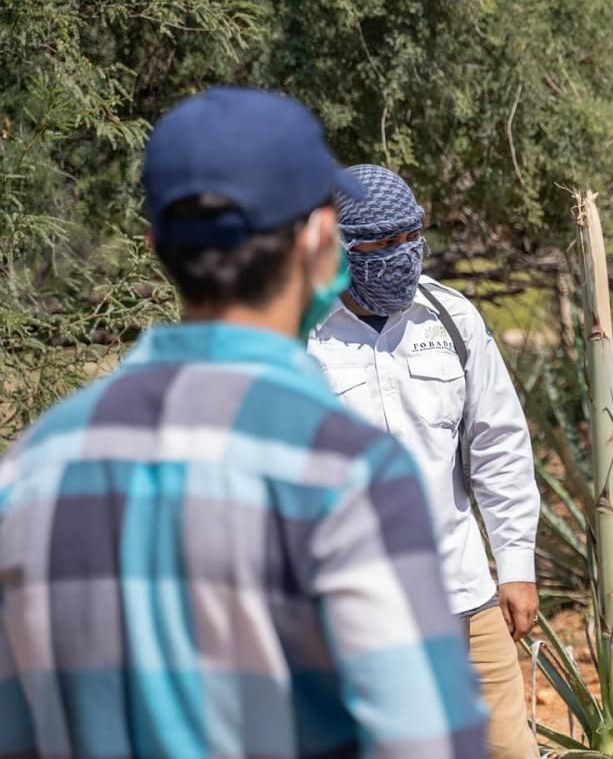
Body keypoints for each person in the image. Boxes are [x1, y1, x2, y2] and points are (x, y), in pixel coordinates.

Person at [0, 87, 487, 758]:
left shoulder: (30, 468)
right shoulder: (350, 474)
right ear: (320, 240)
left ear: (155, 246)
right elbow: (429, 742)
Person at [307, 164, 542, 759]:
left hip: (465, 596)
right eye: (382, 244)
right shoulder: (298, 337)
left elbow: (499, 442)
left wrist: (515, 564)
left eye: (411, 236)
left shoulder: (451, 317)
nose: (403, 255)